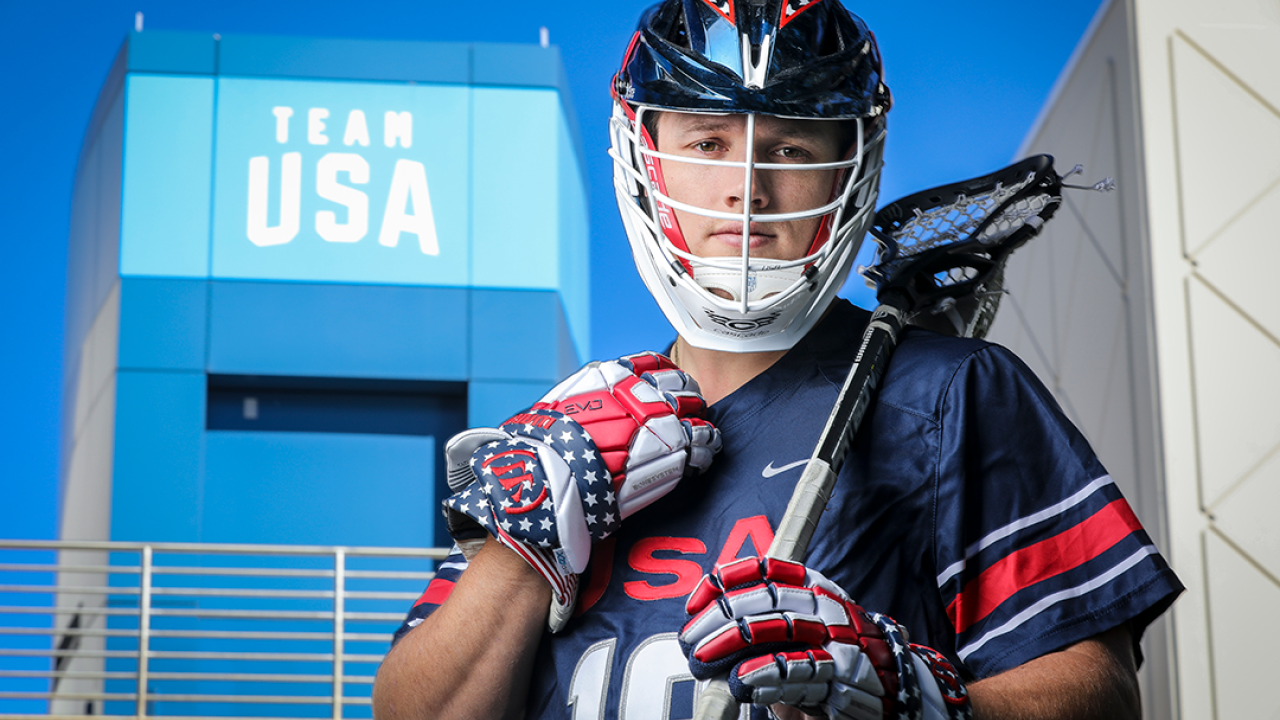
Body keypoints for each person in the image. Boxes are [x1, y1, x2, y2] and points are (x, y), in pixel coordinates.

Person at [371, 1, 1183, 718]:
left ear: (852, 165)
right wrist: (530, 539)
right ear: (644, 156)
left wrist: (909, 693)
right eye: (709, 140)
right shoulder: (567, 431)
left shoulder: (949, 393)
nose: (746, 185)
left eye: (791, 148)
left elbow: (1100, 697)